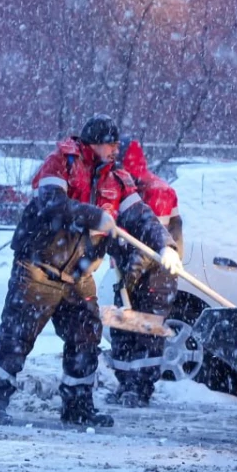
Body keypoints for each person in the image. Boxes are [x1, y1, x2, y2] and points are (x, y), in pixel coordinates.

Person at [0, 115, 181, 427]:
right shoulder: (60, 164)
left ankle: (78, 408)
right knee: (16, 337)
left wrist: (166, 246)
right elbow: (50, 205)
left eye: (116, 143)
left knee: (85, 339)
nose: (115, 149)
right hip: (38, 268)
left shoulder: (119, 180)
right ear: (92, 144)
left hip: (79, 276)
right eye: (109, 143)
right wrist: (92, 215)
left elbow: (143, 217)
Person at [106, 139, 183, 408]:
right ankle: (126, 385)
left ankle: (140, 389)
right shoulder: (122, 189)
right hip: (129, 273)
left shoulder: (157, 192)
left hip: (156, 275)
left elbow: (153, 244)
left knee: (146, 330)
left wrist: (131, 273)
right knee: (123, 329)